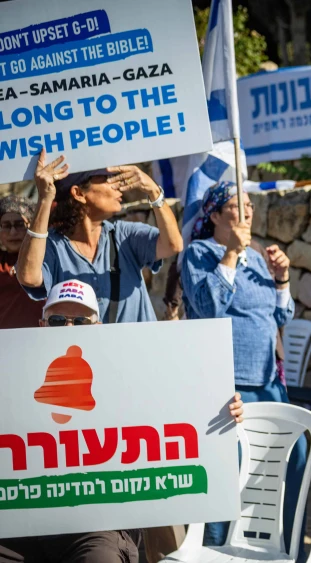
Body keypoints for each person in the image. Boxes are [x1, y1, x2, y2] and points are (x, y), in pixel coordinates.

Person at [0, 280, 244, 563]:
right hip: (20, 525)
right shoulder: (11, 372)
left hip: (95, 528)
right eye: (57, 320)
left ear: (98, 326)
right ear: (42, 325)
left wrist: (221, 410)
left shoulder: (129, 372)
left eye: (80, 321)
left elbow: (178, 412)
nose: (68, 330)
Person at [180, 182, 304, 555]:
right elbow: (208, 307)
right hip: (227, 385)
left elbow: (281, 314)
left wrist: (281, 279)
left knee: (290, 461)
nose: (247, 211)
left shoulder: (256, 254)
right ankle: (214, 552)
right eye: (237, 205)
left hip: (269, 381)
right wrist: (231, 254)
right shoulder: (199, 253)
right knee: (227, 473)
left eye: (249, 204)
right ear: (216, 215)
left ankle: (284, 547)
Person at [17, 149, 184, 323]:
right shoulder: (52, 246)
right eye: (107, 180)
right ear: (79, 193)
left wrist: (154, 192)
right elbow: (29, 277)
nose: (118, 187)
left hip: (139, 349)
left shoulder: (124, 235)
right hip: (84, 351)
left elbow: (173, 245)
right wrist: (45, 199)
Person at [0, 196, 44, 328]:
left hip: (41, 340)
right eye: (6, 226)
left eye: (19, 225)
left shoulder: (46, 258)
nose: (13, 232)